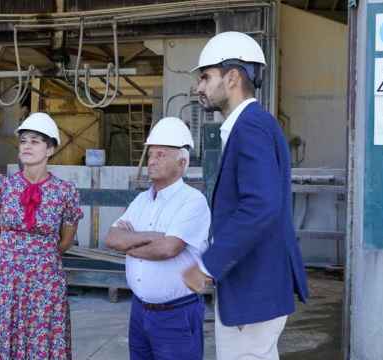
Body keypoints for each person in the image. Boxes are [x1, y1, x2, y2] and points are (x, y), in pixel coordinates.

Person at [182, 31, 309, 360]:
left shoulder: (250, 126)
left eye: (206, 77)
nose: (199, 87)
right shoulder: (253, 125)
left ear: (233, 77)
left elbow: (261, 205)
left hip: (254, 288)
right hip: (254, 284)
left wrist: (210, 264)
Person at [0, 112, 84, 359]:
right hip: (5, 278)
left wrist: (39, 259)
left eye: (35, 141)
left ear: (50, 149)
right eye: (23, 141)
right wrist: (12, 258)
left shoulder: (64, 192)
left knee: (42, 337)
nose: (27, 146)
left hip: (45, 280)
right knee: (1, 333)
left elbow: (65, 241)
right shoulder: (3, 186)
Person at [105, 117, 210, 360]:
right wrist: (151, 237)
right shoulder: (142, 200)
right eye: (151, 154)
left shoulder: (192, 201)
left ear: (182, 162)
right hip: (139, 311)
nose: (151, 161)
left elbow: (168, 248)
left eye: (161, 154)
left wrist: (129, 243)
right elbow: (111, 238)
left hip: (176, 314)